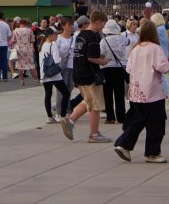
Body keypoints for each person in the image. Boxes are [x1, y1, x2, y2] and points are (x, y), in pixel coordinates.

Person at [113, 21, 169, 164]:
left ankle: (124, 143)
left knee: (138, 121)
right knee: (156, 124)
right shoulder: (155, 49)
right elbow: (163, 67)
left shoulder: (135, 49)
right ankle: (152, 153)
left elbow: (129, 69)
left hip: (136, 92)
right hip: (153, 93)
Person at [60, 11, 111, 144]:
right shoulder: (93, 36)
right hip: (90, 75)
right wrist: (102, 61)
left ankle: (70, 121)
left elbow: (83, 54)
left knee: (87, 100)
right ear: (98, 22)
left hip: (79, 73)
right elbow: (91, 57)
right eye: (103, 24)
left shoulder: (80, 34)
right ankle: (94, 134)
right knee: (95, 105)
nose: (103, 27)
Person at [100, 19, 129, 124]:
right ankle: (121, 116)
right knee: (119, 93)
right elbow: (128, 42)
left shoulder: (104, 41)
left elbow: (101, 54)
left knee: (107, 94)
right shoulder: (122, 38)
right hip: (120, 68)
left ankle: (110, 117)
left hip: (107, 68)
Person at [39, 27, 69, 123]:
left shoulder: (43, 45)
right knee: (66, 93)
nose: (56, 36)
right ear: (50, 36)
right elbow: (57, 60)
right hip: (54, 74)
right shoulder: (53, 44)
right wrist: (62, 57)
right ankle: (63, 115)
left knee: (48, 94)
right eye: (55, 34)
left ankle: (49, 117)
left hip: (45, 73)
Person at [53, 17, 77, 117]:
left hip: (73, 66)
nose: (71, 26)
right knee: (62, 90)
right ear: (63, 26)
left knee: (69, 89)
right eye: (69, 24)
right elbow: (55, 53)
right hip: (62, 67)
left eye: (72, 24)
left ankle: (66, 109)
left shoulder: (74, 38)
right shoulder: (58, 39)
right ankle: (59, 111)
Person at [11, 18, 38, 86]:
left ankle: (22, 81)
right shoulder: (29, 30)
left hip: (19, 49)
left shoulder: (16, 31)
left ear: (20, 23)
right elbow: (32, 40)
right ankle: (35, 80)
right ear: (26, 23)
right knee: (31, 65)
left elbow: (13, 40)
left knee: (20, 66)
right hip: (28, 49)